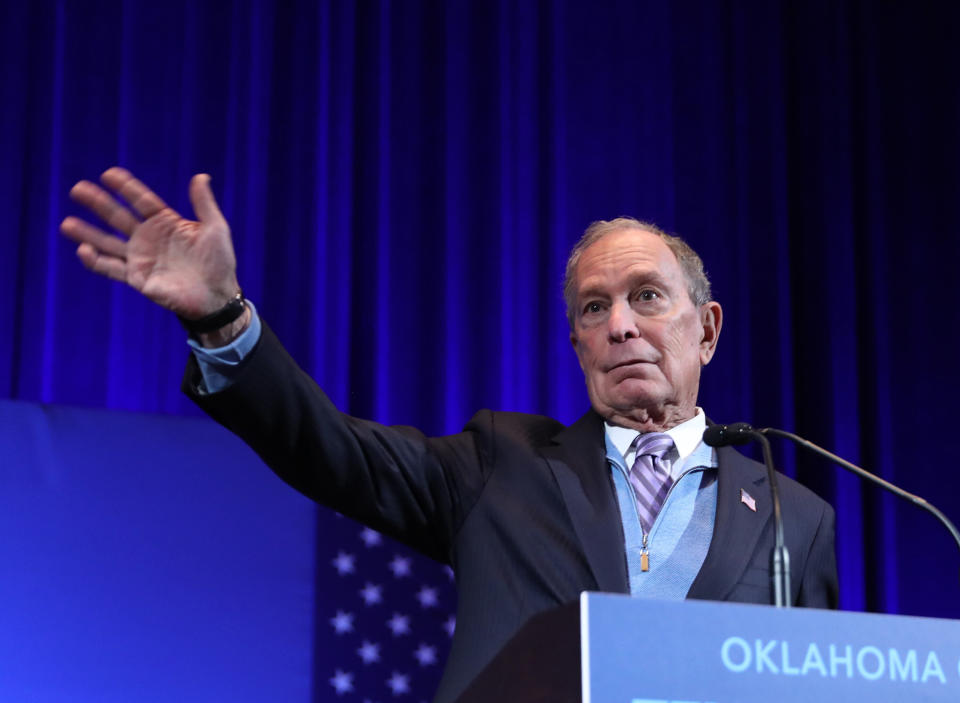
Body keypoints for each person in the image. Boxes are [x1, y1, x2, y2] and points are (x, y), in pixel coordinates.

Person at [61, 168, 838, 703]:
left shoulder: (791, 516)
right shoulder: (502, 463)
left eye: (645, 296)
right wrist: (222, 317)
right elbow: (331, 450)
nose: (622, 324)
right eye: (594, 309)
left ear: (705, 329)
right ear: (577, 345)